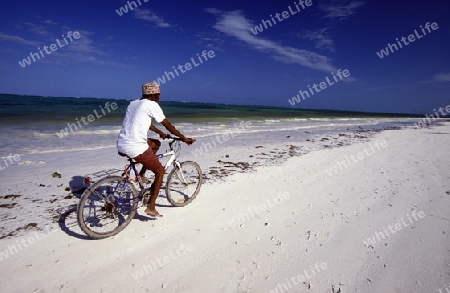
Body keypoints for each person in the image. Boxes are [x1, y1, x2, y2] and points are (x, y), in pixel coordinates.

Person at [117, 82, 194, 217]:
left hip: (121, 143)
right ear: (153, 94)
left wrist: (159, 132)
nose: (159, 96)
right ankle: (151, 207)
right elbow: (168, 125)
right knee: (160, 172)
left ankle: (141, 174)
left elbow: (143, 122)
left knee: (155, 144)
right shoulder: (152, 104)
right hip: (135, 146)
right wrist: (184, 138)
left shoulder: (133, 103)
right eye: (158, 94)